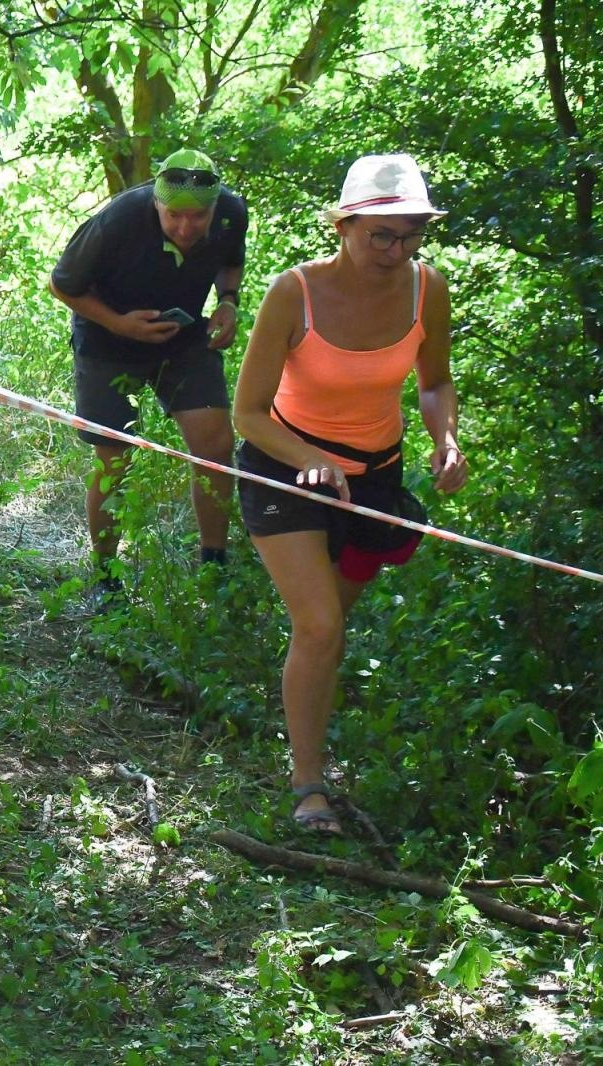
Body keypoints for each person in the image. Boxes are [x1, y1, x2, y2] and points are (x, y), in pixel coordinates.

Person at [233, 154, 467, 834]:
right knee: (320, 626)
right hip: (284, 465)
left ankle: (306, 718)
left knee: (329, 627)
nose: (397, 250)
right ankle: (309, 787)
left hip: (376, 477)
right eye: (381, 235)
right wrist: (310, 459)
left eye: (411, 234)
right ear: (343, 226)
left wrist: (447, 439)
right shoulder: (294, 292)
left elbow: (433, 382)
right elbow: (247, 414)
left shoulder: (428, 289)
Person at [48, 148, 247, 610]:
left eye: (198, 217)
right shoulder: (120, 219)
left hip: (182, 337)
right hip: (107, 340)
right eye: (174, 215)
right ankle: (106, 578)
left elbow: (231, 260)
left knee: (216, 446)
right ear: (156, 202)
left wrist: (229, 300)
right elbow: (61, 284)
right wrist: (119, 324)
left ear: (214, 208)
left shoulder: (232, 212)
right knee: (114, 458)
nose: (186, 227)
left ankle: (214, 568)